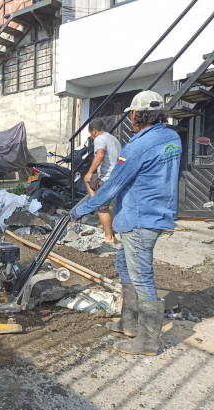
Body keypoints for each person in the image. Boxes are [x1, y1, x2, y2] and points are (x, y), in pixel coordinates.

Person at [72, 91, 181, 356]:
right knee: (124, 264)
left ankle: (147, 341)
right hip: (158, 213)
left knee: (142, 277)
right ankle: (129, 322)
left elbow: (111, 189)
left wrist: (79, 210)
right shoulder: (172, 138)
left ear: (135, 115)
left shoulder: (136, 148)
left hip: (139, 219)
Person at [83, 118, 122, 243]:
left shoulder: (99, 139)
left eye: (91, 134)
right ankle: (95, 201)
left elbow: (100, 155)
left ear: (94, 131)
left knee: (102, 208)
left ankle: (109, 237)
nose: (92, 137)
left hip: (107, 178)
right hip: (117, 176)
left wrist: (89, 172)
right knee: (88, 180)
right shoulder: (113, 138)